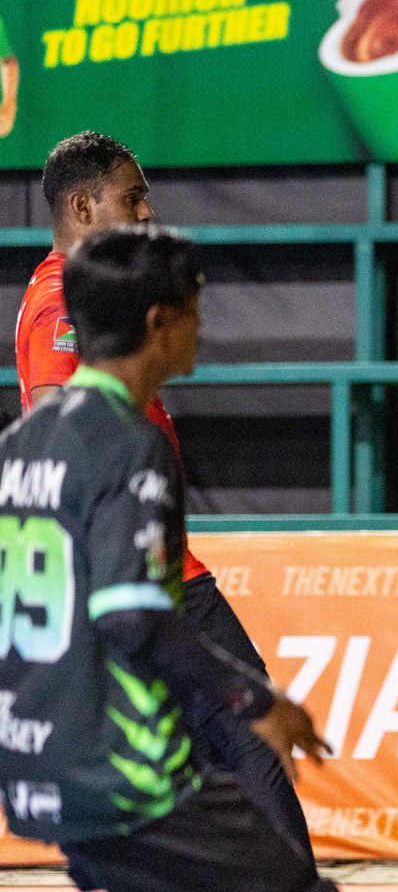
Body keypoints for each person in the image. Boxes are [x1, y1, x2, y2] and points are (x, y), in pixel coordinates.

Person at [13, 132, 319, 877]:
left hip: (49, 748)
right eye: (134, 197)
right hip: (152, 582)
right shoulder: (66, 310)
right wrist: (253, 696)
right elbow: (61, 421)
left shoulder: (24, 450)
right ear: (83, 207)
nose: (149, 212)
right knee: (258, 773)